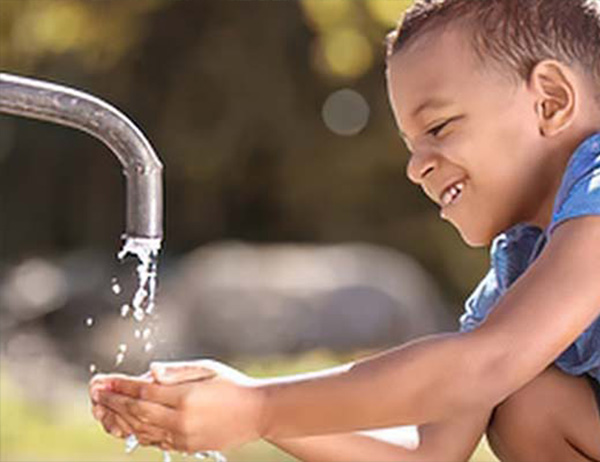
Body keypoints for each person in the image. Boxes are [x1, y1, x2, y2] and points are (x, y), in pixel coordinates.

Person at [89, 0, 600, 460]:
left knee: (512, 386)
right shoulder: (520, 269)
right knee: (527, 404)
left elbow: (485, 364)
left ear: (550, 101)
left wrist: (260, 407)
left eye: (439, 128)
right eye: (410, 145)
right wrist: (243, 407)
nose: (416, 166)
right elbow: (429, 454)